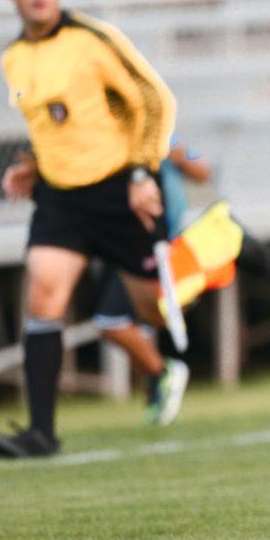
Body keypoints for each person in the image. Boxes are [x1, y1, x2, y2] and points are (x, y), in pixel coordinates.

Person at [0, 0, 179, 459]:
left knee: (155, 310)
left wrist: (142, 171)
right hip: (61, 201)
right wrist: (31, 165)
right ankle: (41, 433)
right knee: (43, 299)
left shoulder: (93, 39)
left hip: (119, 191)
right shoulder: (13, 57)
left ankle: (223, 258)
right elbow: (52, 122)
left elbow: (155, 101)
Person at [93, 137, 208, 425]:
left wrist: (179, 157)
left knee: (112, 320)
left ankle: (162, 372)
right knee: (128, 322)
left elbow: (202, 172)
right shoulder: (97, 134)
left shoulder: (159, 131)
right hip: (116, 240)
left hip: (155, 242)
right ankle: (158, 382)